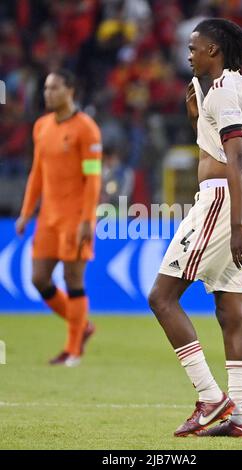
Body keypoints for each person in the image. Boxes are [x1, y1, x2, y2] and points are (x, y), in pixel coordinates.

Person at [149, 18, 242, 438]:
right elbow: (222, 141)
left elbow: (233, 156)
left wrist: (233, 225)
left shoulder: (225, 90)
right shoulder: (232, 85)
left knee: (162, 297)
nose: (189, 54)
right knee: (230, 312)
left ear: (213, 50)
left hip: (222, 199)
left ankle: (211, 397)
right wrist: (199, 119)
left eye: (194, 47)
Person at [16, 69, 102, 367]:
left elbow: (93, 179)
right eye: (45, 88)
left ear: (70, 90)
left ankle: (73, 349)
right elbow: (36, 173)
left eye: (54, 88)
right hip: (48, 218)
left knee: (72, 279)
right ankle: (83, 326)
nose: (47, 93)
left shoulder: (86, 129)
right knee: (39, 278)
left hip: (75, 217)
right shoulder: (41, 126)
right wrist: (27, 212)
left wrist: (87, 220)